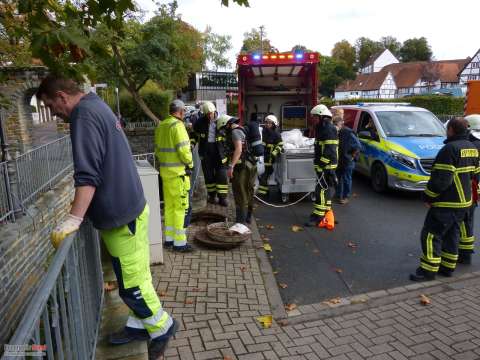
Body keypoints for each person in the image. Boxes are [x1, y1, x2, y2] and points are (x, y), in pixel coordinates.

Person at [38, 75, 177, 358]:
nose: (55, 114)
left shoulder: (83, 116)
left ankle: (162, 327)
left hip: (121, 218)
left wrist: (74, 219)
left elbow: (87, 176)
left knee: (132, 284)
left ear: (63, 97)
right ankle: (139, 325)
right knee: (136, 275)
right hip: (130, 210)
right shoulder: (97, 104)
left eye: (52, 107)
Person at [410, 118, 478, 281]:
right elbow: (475, 174)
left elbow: (441, 180)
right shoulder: (472, 148)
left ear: (451, 130)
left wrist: (427, 196)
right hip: (464, 203)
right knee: (452, 235)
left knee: (431, 235)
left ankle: (428, 271)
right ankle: (447, 267)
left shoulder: (449, 149)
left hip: (447, 202)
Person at [155, 99, 194, 253]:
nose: (185, 114)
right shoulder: (178, 126)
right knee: (180, 208)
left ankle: (169, 240)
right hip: (178, 174)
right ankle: (179, 243)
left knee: (170, 207)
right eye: (184, 111)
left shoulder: (162, 125)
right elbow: (184, 151)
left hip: (165, 173)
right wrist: (190, 164)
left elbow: (158, 150)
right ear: (180, 111)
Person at [217, 114, 257, 224]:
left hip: (242, 168)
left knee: (240, 192)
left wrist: (231, 166)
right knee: (249, 190)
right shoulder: (242, 129)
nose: (224, 131)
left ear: (228, 125)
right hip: (250, 164)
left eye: (224, 128)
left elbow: (238, 149)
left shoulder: (235, 132)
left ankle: (240, 221)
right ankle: (248, 216)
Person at [305, 104, 339, 227]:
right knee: (326, 191)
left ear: (322, 116)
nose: (312, 119)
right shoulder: (322, 128)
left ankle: (319, 217)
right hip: (325, 166)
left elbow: (329, 150)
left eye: (314, 117)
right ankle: (326, 213)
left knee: (321, 191)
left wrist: (321, 164)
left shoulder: (328, 129)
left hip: (326, 166)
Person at [193, 101, 229, 206]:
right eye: (207, 114)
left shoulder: (222, 121)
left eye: (211, 113)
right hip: (206, 152)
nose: (209, 116)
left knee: (221, 175)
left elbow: (229, 136)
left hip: (220, 152)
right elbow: (194, 135)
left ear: (214, 111)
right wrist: (192, 144)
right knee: (208, 176)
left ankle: (222, 198)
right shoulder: (200, 122)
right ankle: (212, 196)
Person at [458, 114, 480, 264]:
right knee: (468, 221)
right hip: (475, 189)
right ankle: (466, 252)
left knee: (462, 221)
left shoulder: (473, 145)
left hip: (467, 188)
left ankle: (462, 253)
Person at [333, 109, 361, 204]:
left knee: (345, 179)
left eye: (335, 126)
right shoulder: (337, 133)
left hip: (347, 160)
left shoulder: (347, 132)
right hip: (340, 160)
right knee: (338, 178)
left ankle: (345, 196)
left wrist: (351, 157)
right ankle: (338, 195)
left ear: (340, 124)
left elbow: (357, 146)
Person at [258, 114, 283, 198]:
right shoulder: (262, 132)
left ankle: (263, 194)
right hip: (261, 158)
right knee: (261, 176)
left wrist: (274, 153)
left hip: (269, 159)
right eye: (266, 122)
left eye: (269, 123)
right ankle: (265, 191)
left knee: (264, 176)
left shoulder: (276, 134)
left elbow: (280, 145)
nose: (267, 124)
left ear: (274, 124)